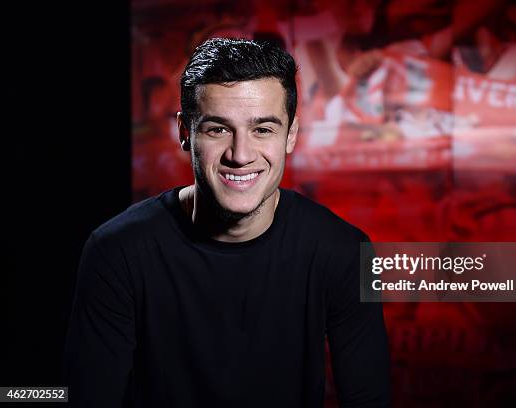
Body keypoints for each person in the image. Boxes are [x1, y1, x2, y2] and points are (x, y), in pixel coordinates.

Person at [64, 38, 391, 407]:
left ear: (291, 135)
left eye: (263, 129)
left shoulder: (345, 251)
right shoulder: (117, 252)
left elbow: (369, 400)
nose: (240, 154)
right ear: (185, 133)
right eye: (217, 129)